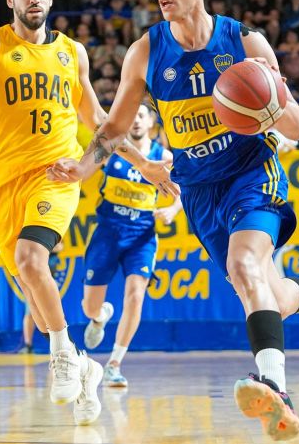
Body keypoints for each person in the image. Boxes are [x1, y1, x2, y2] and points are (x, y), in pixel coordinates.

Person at [47, 0, 299, 441]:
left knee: (245, 264)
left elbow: (297, 127)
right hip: (198, 192)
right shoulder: (146, 51)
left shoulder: (245, 42)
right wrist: (82, 168)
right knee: (271, 297)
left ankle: (276, 390)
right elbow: (114, 128)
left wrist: (270, 105)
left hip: (251, 174)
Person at [0, 0, 168, 425]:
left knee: (30, 258)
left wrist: (142, 163)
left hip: (56, 175)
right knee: (40, 311)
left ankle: (60, 355)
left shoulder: (72, 52)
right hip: (3, 184)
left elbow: (99, 121)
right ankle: (84, 369)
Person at [82, 103, 180, 387]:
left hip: (141, 235)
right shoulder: (113, 148)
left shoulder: (164, 157)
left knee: (136, 295)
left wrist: (173, 209)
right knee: (89, 308)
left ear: (151, 122)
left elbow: (185, 188)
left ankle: (114, 364)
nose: (136, 120)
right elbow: (86, 165)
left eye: (141, 115)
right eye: (132, 115)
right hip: (107, 233)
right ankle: (99, 317)